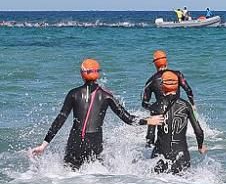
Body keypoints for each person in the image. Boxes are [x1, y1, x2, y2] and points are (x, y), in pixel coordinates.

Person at [30, 59, 163, 169]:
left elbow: (60, 119)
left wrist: (44, 145)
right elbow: (128, 119)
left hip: (75, 140)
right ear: (98, 74)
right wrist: (149, 120)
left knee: (69, 177)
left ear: (82, 74)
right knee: (94, 176)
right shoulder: (106, 96)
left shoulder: (73, 94)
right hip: (94, 141)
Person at [149, 71, 206, 174]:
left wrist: (149, 144)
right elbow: (199, 131)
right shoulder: (186, 105)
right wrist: (200, 146)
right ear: (177, 86)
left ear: (162, 86)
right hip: (181, 156)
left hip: (160, 156)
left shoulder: (155, 106)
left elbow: (150, 136)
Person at [142, 49, 195, 147]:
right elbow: (189, 90)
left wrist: (154, 109)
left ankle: (149, 149)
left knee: (151, 139)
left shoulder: (150, 81)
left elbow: (144, 103)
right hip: (178, 110)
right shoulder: (177, 75)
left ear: (155, 64)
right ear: (166, 61)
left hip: (160, 113)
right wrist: (193, 104)